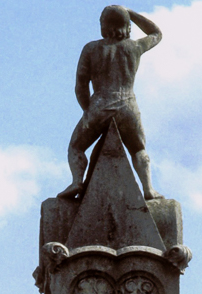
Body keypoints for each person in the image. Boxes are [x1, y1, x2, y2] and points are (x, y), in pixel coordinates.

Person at [59, 5, 163, 201]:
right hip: (128, 106)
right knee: (139, 149)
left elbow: (80, 84)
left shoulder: (91, 49)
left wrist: (87, 111)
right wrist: (130, 14)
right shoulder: (134, 47)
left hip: (100, 104)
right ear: (127, 26)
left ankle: (77, 181)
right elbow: (156, 33)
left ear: (103, 25)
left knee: (76, 147)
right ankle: (148, 188)